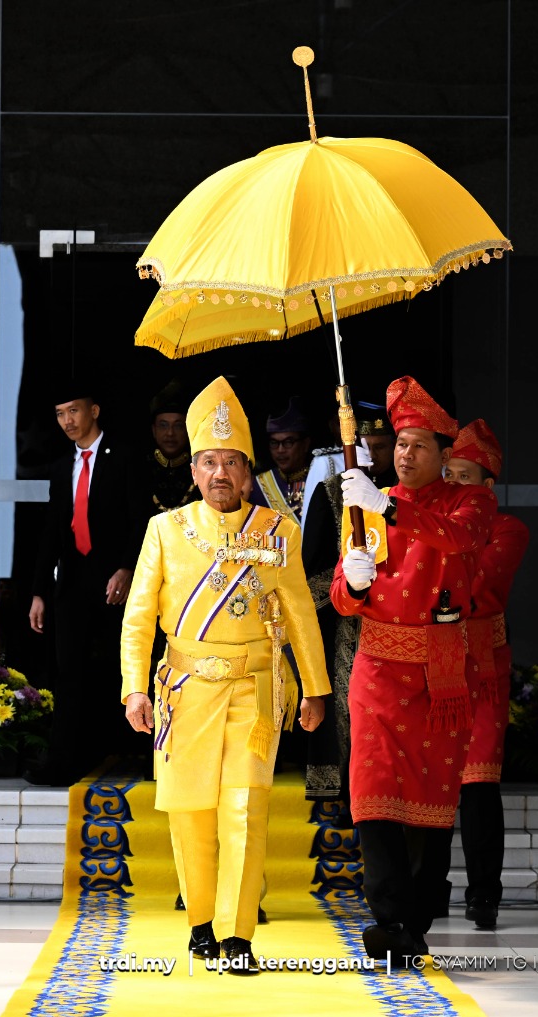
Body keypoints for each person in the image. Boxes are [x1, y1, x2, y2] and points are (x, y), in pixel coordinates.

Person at [119, 376, 329, 976]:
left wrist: (315, 687)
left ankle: (238, 935)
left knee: (245, 808)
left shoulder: (276, 532)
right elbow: (138, 619)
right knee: (190, 811)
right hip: (184, 693)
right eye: (207, 462)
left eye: (230, 462)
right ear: (193, 470)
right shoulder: (165, 531)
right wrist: (134, 686)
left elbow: (299, 616)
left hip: (255, 690)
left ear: (247, 470)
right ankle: (201, 923)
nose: (218, 474)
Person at [330, 376, 495, 965]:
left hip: (437, 670)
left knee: (430, 797)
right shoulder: (366, 504)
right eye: (399, 443)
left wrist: (387, 508)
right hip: (377, 664)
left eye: (420, 444)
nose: (405, 454)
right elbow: (343, 597)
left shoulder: (469, 502)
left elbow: (460, 539)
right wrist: (351, 581)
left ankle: (417, 918)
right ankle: (388, 914)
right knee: (371, 792)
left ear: (446, 454)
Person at [28, 380, 150, 785]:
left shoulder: (125, 456)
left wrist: (127, 568)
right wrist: (40, 591)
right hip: (73, 582)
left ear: (94, 411)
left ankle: (142, 755)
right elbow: (50, 531)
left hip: (116, 579)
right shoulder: (62, 466)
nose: (67, 421)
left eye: (74, 411)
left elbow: (141, 519)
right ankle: (63, 762)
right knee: (69, 671)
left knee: (127, 668)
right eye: (60, 414)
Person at [444, 419, 529, 931]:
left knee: (478, 785)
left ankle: (483, 896)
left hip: (481, 668)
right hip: (429, 665)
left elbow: (477, 591)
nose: (453, 484)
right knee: (429, 786)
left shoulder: (506, 529)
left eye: (463, 475)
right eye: (447, 474)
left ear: (488, 485)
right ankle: (430, 889)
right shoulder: (426, 518)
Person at [300, 398, 393, 805]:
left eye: (382, 446)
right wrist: (349, 578)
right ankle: (350, 798)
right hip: (352, 627)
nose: (373, 456)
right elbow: (311, 574)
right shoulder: (333, 494)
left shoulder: (409, 498)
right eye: (364, 446)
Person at [251, 396, 313, 524]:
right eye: (274, 443)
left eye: (288, 442)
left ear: (305, 444)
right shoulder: (258, 486)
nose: (280, 450)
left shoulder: (318, 481)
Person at [147, 380, 197, 512]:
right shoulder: (139, 468)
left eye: (178, 426)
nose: (170, 433)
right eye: (163, 425)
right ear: (154, 430)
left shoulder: (200, 468)